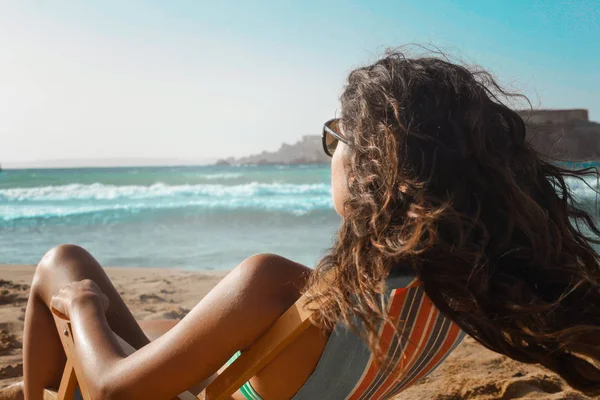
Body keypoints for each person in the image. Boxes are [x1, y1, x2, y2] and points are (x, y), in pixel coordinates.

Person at [6, 50, 600, 400]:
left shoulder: (271, 283)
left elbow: (114, 391)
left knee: (63, 262)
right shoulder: (470, 282)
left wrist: (83, 306)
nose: (331, 149)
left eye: (334, 136)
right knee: (170, 322)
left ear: (375, 171)